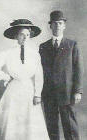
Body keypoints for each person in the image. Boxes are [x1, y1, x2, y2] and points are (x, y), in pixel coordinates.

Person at [0, 19, 49, 140]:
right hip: (13, 90)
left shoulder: (35, 54)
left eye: (27, 35)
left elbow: (39, 75)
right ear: (16, 36)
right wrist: (6, 77)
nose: (25, 37)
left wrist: (37, 94)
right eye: (22, 34)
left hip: (28, 90)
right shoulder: (7, 53)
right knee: (12, 118)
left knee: (30, 120)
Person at [39, 11, 84, 140]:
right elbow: (40, 71)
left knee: (70, 126)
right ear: (50, 26)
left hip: (67, 92)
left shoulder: (72, 45)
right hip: (49, 93)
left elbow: (79, 69)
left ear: (64, 25)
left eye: (60, 23)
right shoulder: (43, 47)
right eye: (54, 23)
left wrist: (78, 91)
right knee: (51, 126)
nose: (57, 26)